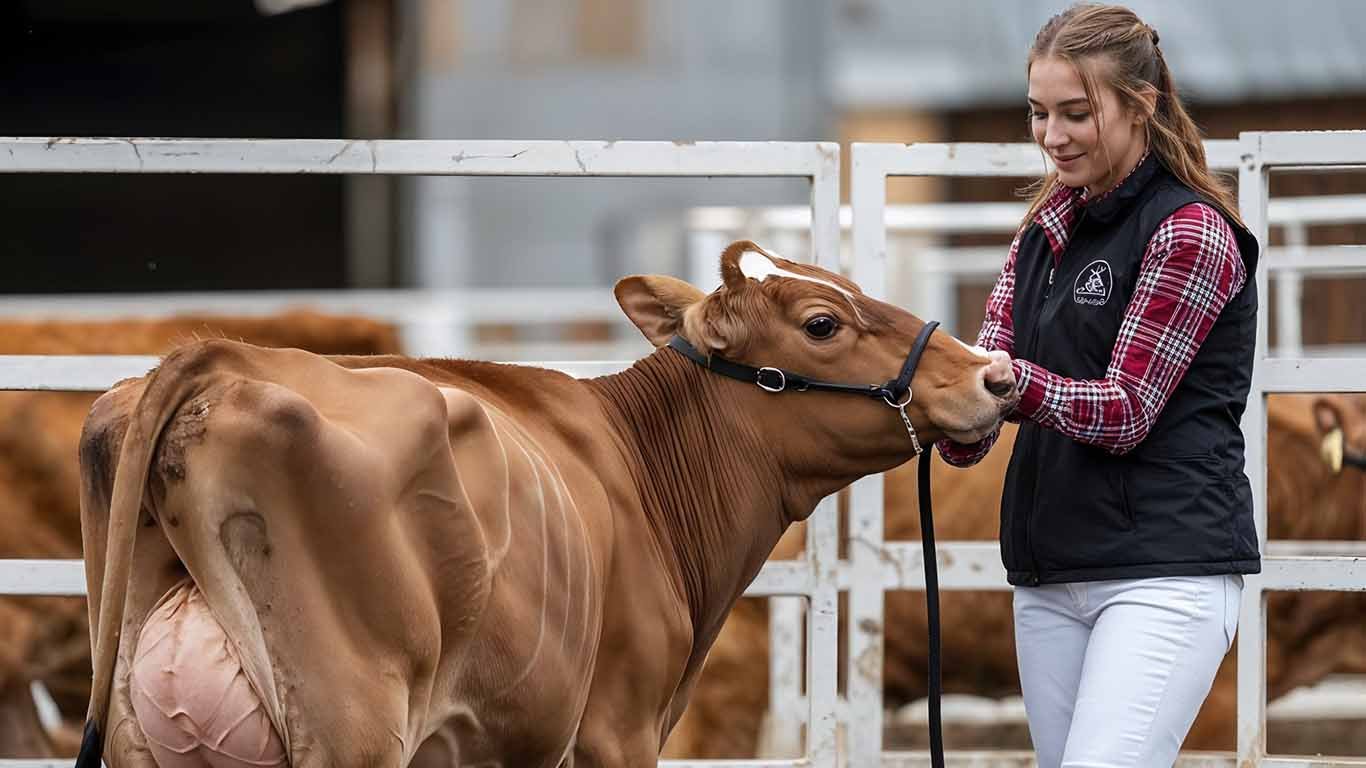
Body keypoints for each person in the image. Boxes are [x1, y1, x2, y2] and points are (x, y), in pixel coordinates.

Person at [936, 4, 1261, 766]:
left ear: (1140, 105)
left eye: (1076, 114)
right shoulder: (1039, 234)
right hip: (1051, 572)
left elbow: (1127, 410)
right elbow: (988, 385)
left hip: (1164, 571)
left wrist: (1009, 386)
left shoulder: (1190, 230)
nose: (1052, 136)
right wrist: (950, 407)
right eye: (1038, 113)